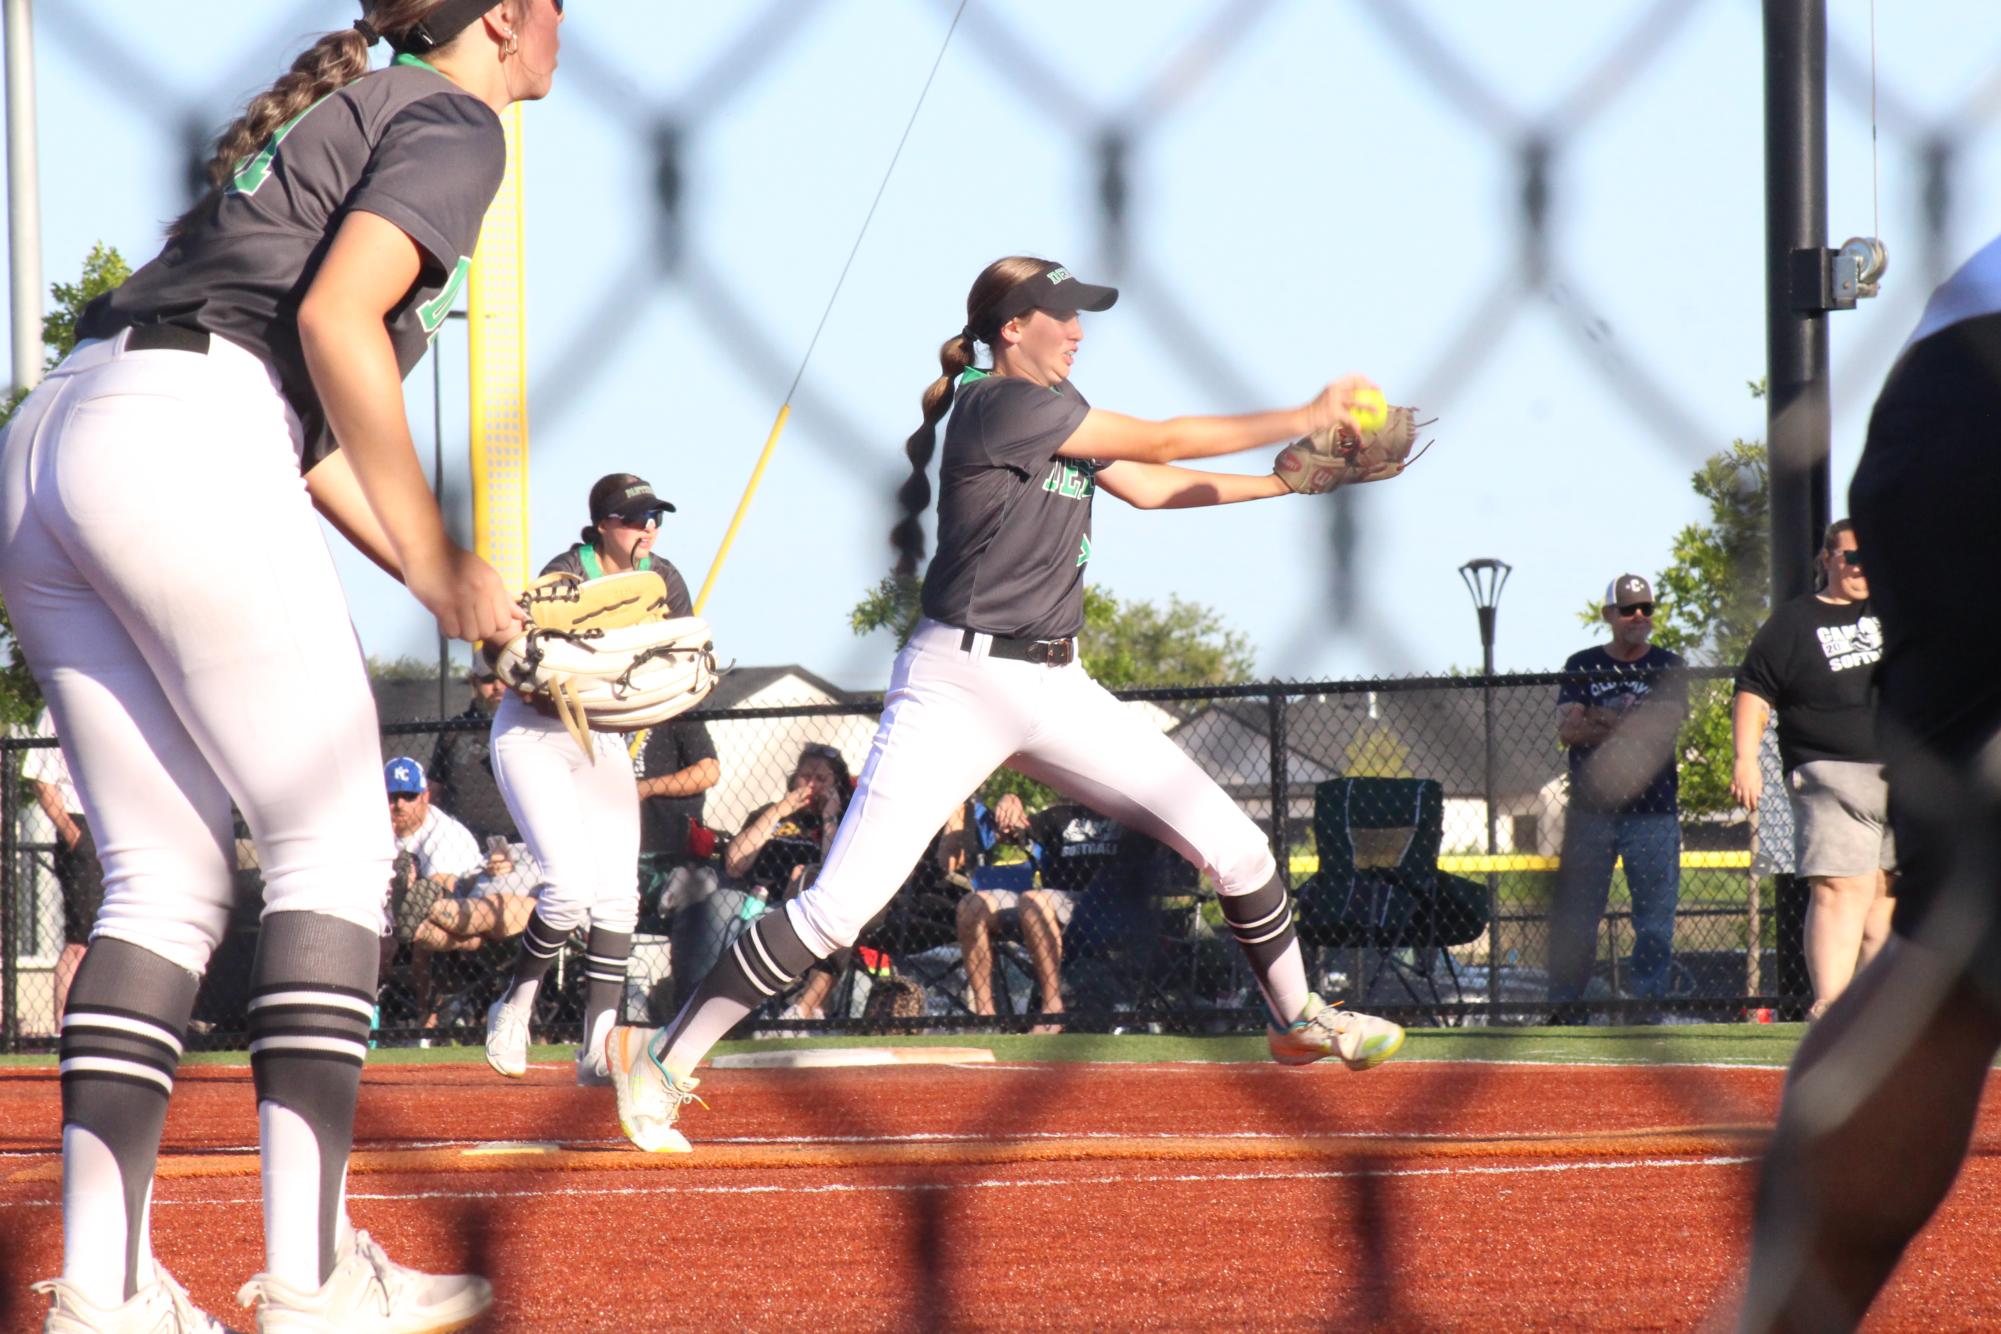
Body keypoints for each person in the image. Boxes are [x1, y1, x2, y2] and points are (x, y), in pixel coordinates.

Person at [0, 4, 562, 1327]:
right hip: (189, 431)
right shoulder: (453, 115)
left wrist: (461, 586)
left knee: (167, 879)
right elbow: (334, 321)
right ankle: (313, 1281)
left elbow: (305, 441)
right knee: (335, 842)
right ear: (499, 16)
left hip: (58, 442)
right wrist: (438, 557)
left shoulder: (344, 106)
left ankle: (106, 1284)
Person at [607, 255, 1408, 1153]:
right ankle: (666, 1061)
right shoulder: (998, 402)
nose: (1075, 329)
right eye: (1056, 315)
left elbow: (1148, 486)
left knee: (1238, 848)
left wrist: (1286, 479)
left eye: (1078, 315)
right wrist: (1305, 415)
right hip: (959, 682)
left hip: (1055, 683)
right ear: (1007, 330)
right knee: (838, 907)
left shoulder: (1057, 408)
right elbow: (1167, 441)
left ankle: (1295, 1017)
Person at [1742, 235, 2001, 1330]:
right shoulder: (1797, 626)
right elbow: (1760, 689)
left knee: (1949, 956)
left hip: (1945, 393)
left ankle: (1782, 1312)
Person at [482, 473, 694, 1086]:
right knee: (569, 886)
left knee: (619, 895)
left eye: (656, 515)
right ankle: (514, 1007)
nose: (649, 527)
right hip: (535, 732)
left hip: (600, 734)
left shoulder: (664, 578)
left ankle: (598, 1048)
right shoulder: (564, 574)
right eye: (635, 518)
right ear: (603, 525)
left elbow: (676, 652)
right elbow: (519, 661)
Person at [1730, 520, 1893, 1021]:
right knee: (1842, 887)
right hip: (1830, 773)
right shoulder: (1795, 622)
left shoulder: (1898, 611)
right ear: (1826, 560)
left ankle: (1870, 1011)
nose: (1860, 566)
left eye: (1869, 556)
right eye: (1849, 557)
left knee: (1884, 896)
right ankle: (1830, 1004)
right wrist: (1745, 759)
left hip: (1901, 775)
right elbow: (1754, 690)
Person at [1546, 574, 1689, 1022]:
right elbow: (1569, 731)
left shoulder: (1669, 664)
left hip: (1653, 812)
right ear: (1609, 615)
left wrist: (1599, 719)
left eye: (1645, 607)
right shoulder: (1582, 662)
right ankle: (1567, 1010)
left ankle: (1647, 1009)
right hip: (1592, 812)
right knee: (1577, 921)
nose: (1638, 616)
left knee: (1653, 924)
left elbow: (1661, 731)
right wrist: (1627, 719)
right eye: (1628, 609)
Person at [720, 743, 853, 1020]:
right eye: (805, 776)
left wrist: (830, 816)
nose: (812, 785)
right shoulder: (771, 814)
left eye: (822, 779)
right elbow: (734, 864)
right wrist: (778, 812)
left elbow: (838, 868)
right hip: (759, 902)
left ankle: (799, 1011)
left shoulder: (841, 822)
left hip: (811, 907)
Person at [407, 837, 541, 1032]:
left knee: (494, 907)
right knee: (470, 939)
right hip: (473, 915)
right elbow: (466, 881)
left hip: (524, 915)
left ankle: (423, 910)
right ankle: (417, 925)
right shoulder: (516, 847)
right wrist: (488, 869)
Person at [24, 707, 105, 1023]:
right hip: (82, 828)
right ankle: (63, 1025)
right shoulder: (56, 710)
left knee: (115, 935)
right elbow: (40, 779)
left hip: (117, 827)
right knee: (80, 939)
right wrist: (73, 834)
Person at [426, 665, 518, 845]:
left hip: (521, 840)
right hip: (463, 844)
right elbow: (435, 788)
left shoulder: (525, 727)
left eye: (504, 678)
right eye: (489, 680)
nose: (498, 687)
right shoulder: (455, 728)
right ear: (474, 681)